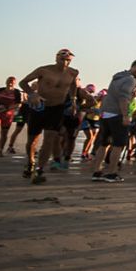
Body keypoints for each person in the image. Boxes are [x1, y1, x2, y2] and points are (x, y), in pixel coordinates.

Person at [19, 49, 80, 183]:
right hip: (39, 107)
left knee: (50, 139)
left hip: (57, 108)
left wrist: (74, 101)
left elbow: (74, 86)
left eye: (68, 59)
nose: (65, 61)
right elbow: (22, 82)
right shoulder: (44, 70)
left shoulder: (73, 72)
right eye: (62, 58)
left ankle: (40, 170)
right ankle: (30, 162)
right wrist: (32, 94)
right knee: (32, 140)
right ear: (56, 58)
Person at [91, 60, 136, 182]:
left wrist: (135, 88)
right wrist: (125, 116)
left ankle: (97, 171)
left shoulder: (118, 76)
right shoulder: (130, 79)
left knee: (103, 144)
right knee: (118, 145)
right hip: (116, 114)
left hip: (105, 113)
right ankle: (112, 173)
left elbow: (118, 94)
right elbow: (123, 98)